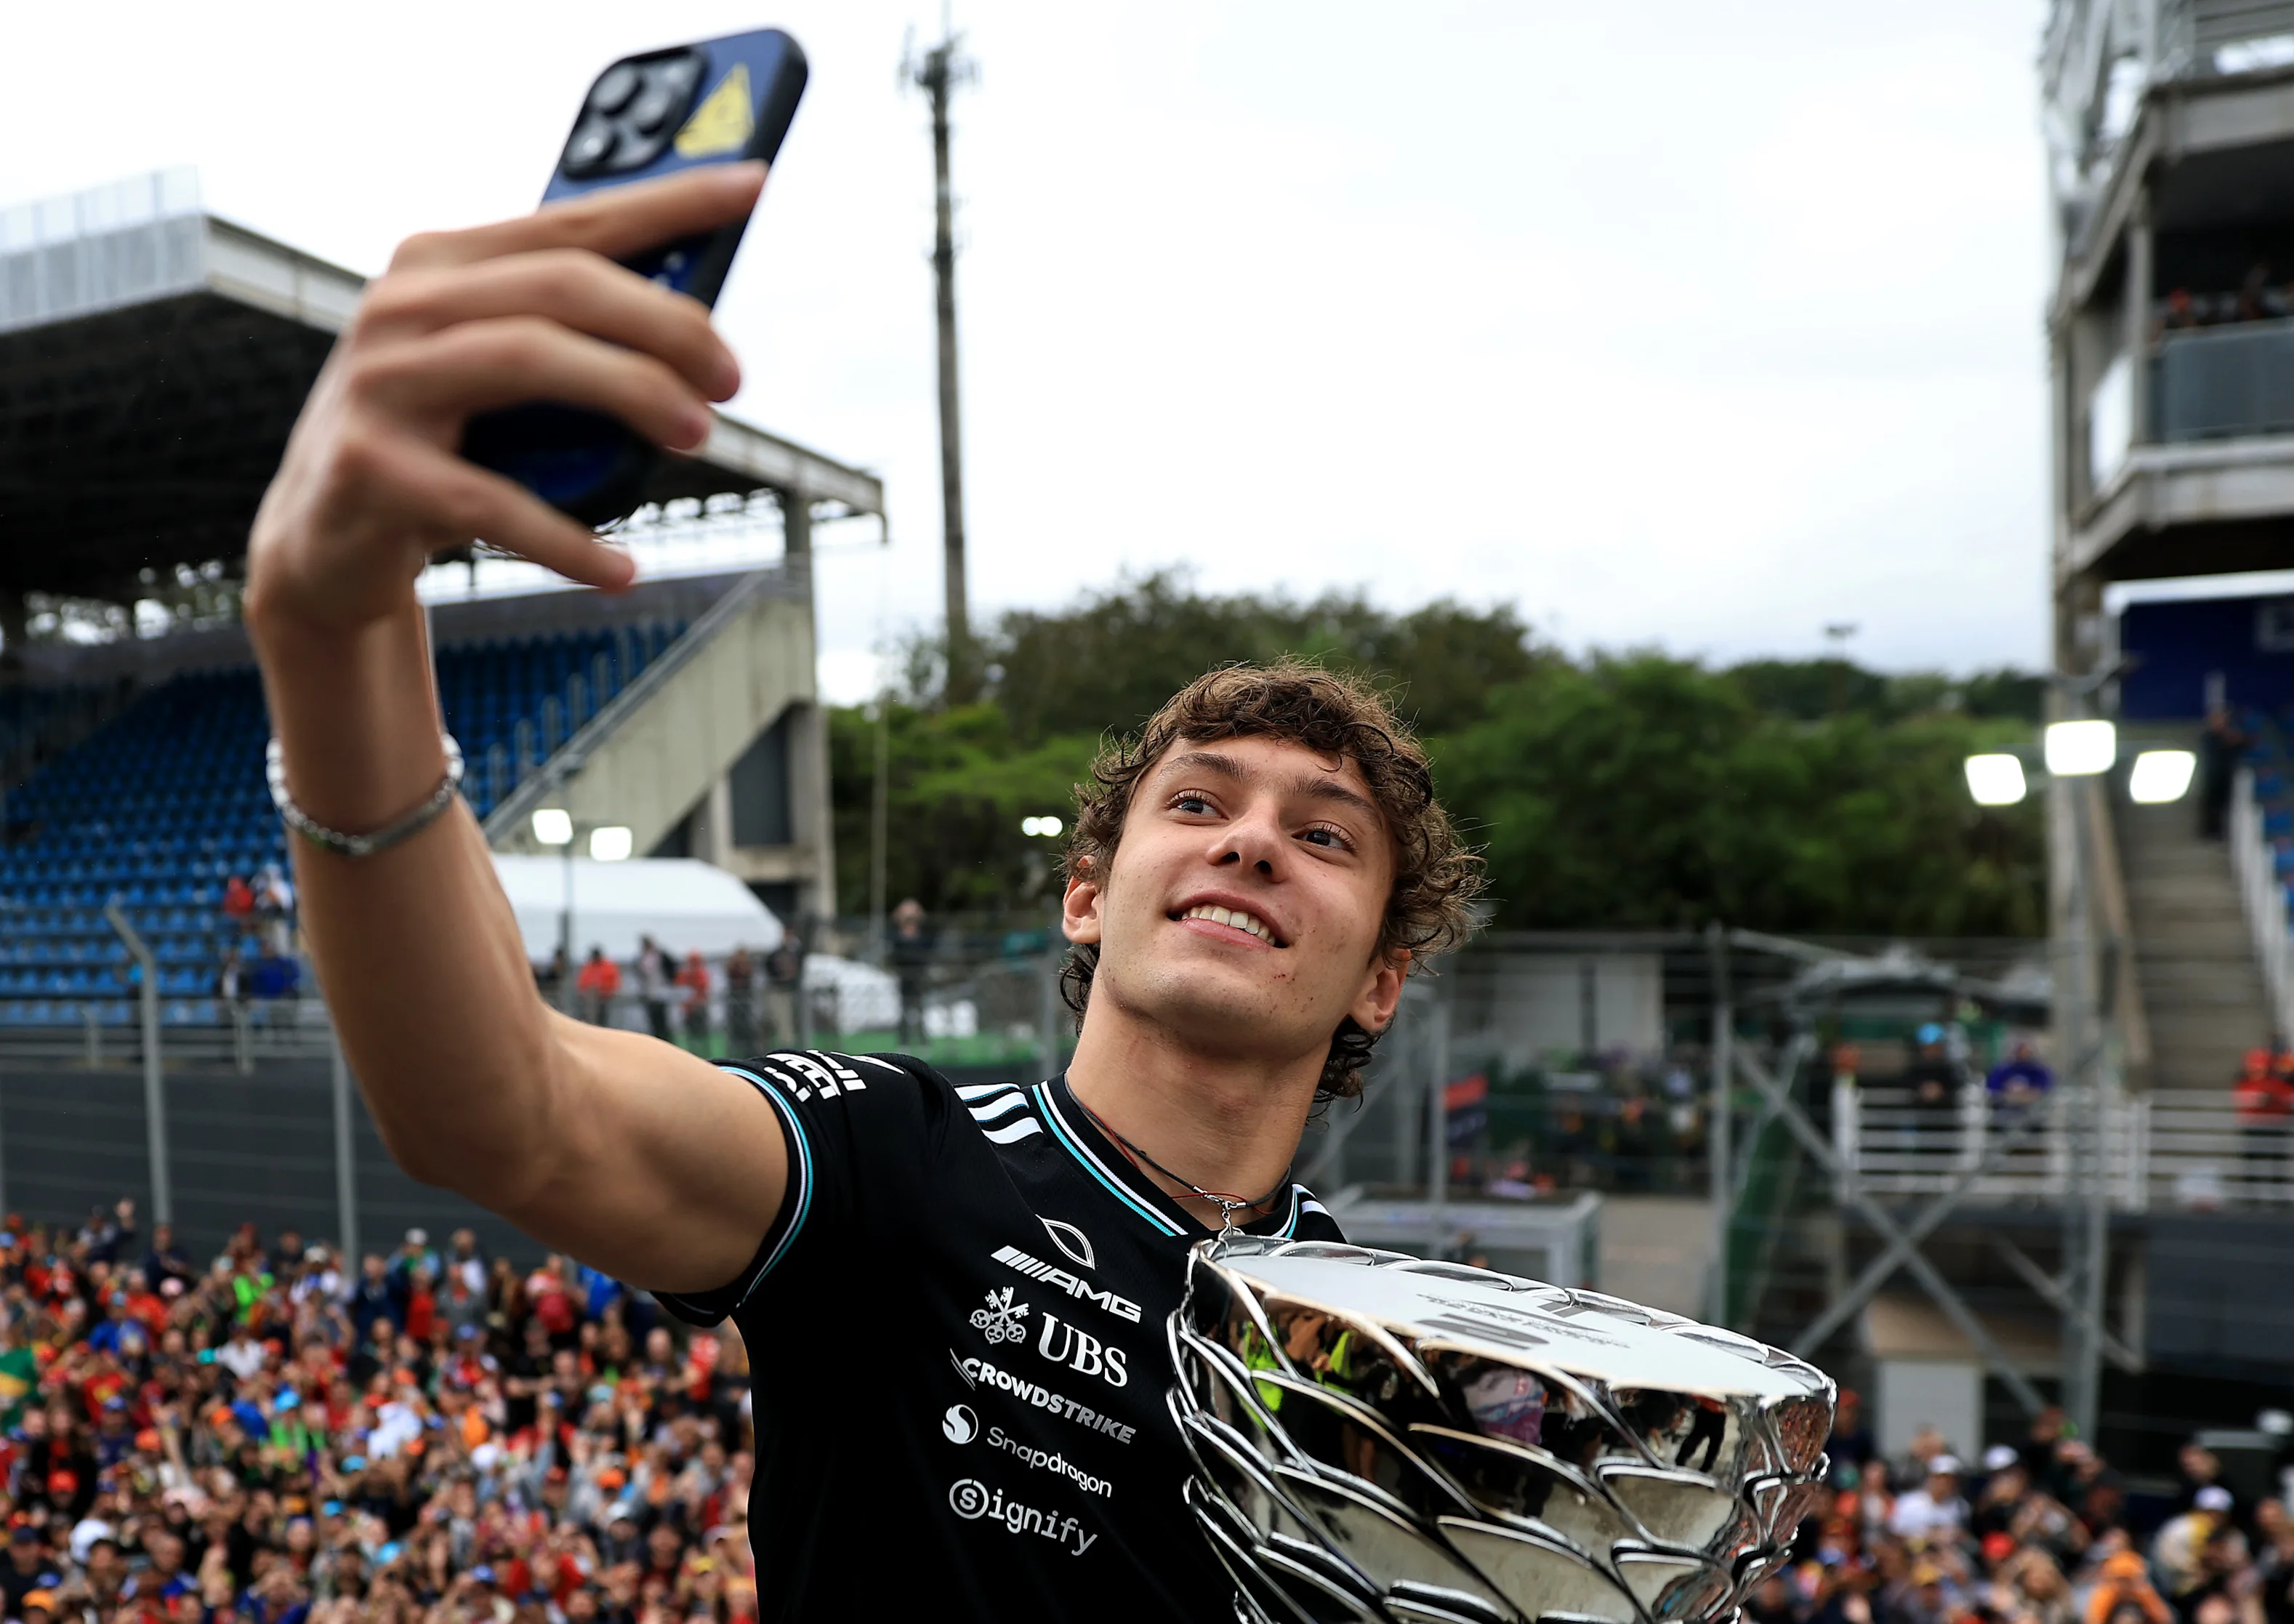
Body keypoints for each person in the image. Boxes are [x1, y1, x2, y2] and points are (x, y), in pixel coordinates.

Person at [240, 162, 1481, 1618]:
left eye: (1323, 837)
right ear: (1087, 893)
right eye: (1197, 803)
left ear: (1383, 976)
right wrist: (333, 633)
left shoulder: (1357, 1323)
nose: (1252, 842)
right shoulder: (898, 1160)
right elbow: (506, 1110)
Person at [2234, 1048, 2294, 1205]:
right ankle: (2250, 1197)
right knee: (2251, 1164)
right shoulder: (2245, 1084)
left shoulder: (2276, 1084)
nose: (2258, 1070)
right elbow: (2245, 1102)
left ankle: (2279, 1197)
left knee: (2278, 1165)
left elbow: (2289, 1101)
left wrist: (2271, 1099)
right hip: (2253, 1127)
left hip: (2276, 1127)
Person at [2196, 707, 2250, 841]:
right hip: (2212, 777)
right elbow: (2213, 750)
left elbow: (2244, 745)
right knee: (2211, 806)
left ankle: (2221, 832)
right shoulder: (2209, 737)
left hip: (2225, 777)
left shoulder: (2229, 736)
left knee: (2225, 806)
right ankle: (2209, 831)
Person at [888, 897, 933, 1047]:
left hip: (919, 978)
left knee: (920, 1012)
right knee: (904, 1012)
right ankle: (904, 1042)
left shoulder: (922, 937)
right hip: (904, 978)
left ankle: (923, 1042)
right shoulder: (897, 938)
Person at [1987, 1039, 2053, 1116]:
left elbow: (2045, 1087)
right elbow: (1993, 1086)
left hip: (2031, 1108)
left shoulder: (2038, 1071)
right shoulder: (2005, 1069)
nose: (2023, 1054)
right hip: (2006, 1106)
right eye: (2021, 1051)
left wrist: (2029, 1093)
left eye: (2026, 1052)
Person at [574, 947, 621, 1029]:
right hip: (590, 1000)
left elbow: (614, 982)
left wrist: (607, 991)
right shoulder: (588, 967)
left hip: (605, 999)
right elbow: (581, 984)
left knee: (604, 1019)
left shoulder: (608, 967)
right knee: (589, 1017)